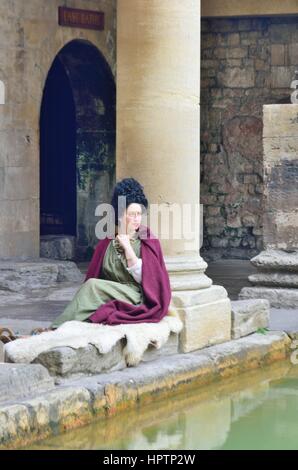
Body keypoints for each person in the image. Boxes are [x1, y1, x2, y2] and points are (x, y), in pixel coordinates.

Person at [50, 177, 172, 328]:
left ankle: (55, 329)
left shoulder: (147, 240)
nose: (137, 219)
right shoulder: (107, 242)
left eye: (139, 214)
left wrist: (128, 249)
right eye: (132, 214)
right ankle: (66, 328)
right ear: (121, 215)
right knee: (91, 289)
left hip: (137, 296)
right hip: (110, 294)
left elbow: (151, 281)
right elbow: (97, 274)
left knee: (92, 286)